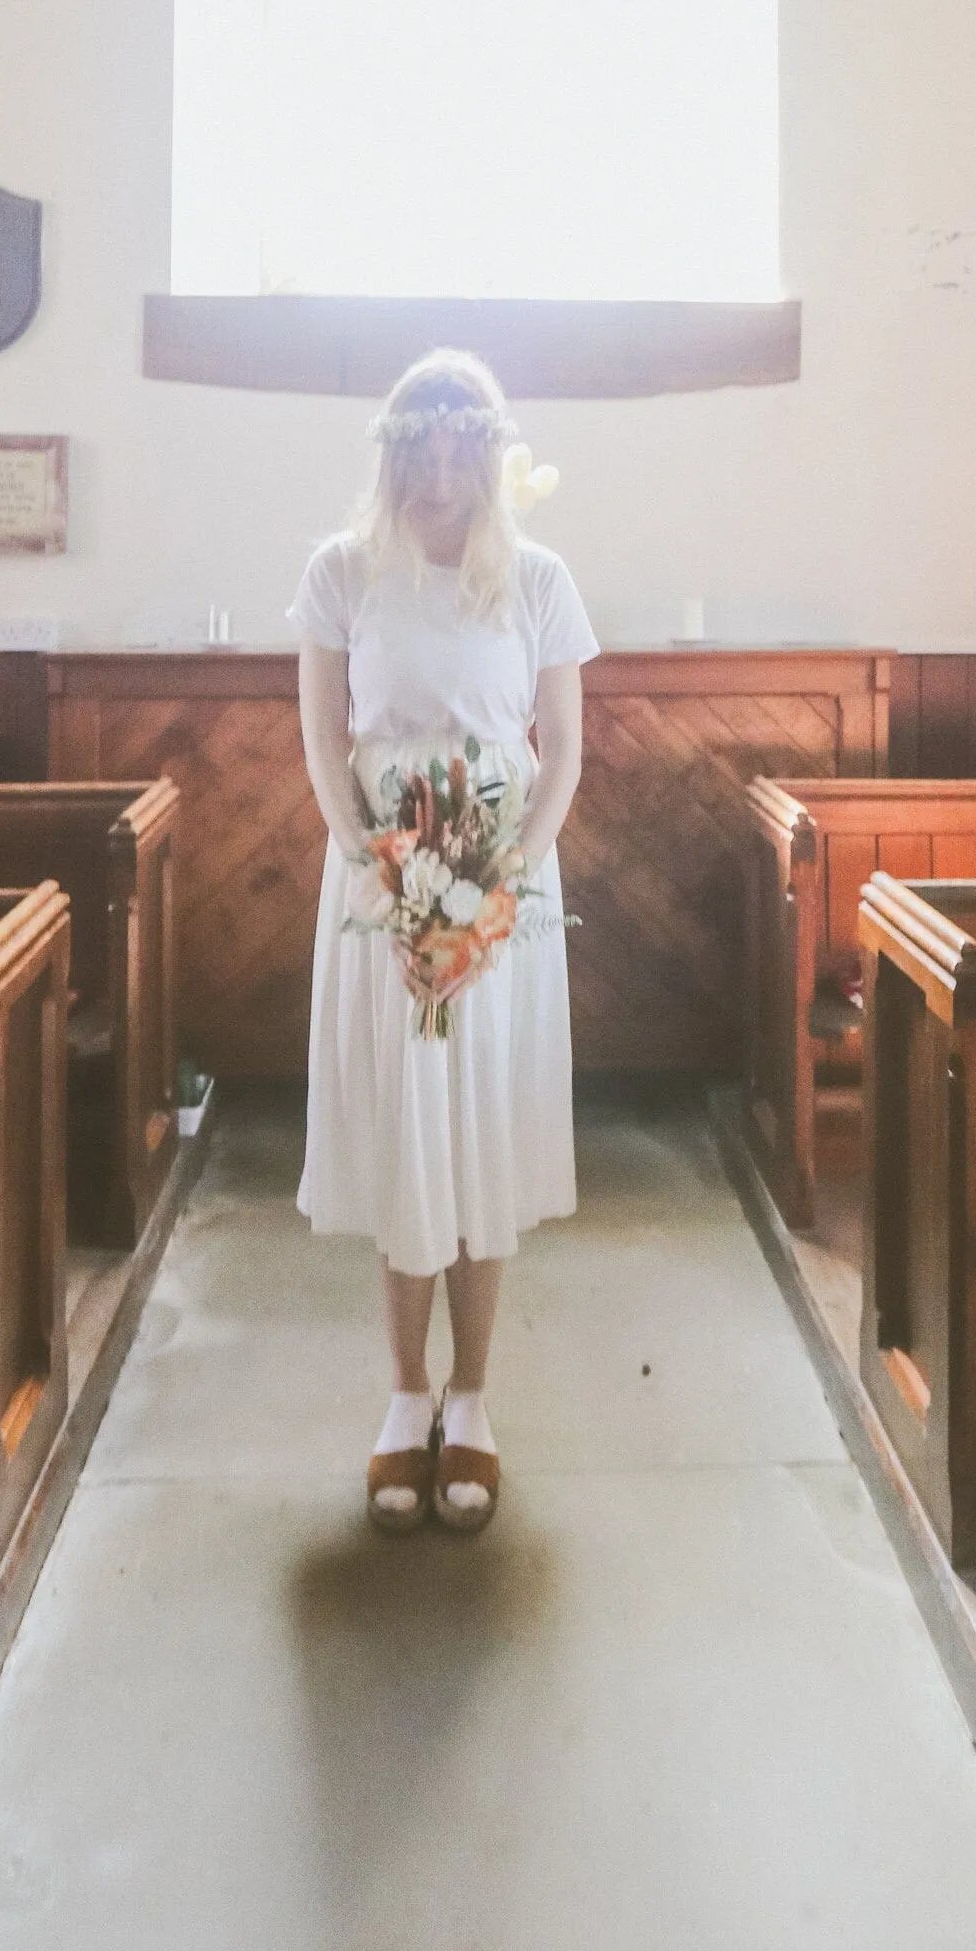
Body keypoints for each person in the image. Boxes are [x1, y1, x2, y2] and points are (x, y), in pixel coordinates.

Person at [288, 349, 598, 1534]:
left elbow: (560, 748)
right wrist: (375, 859)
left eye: (456, 445)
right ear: (389, 454)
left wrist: (504, 878)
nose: (435, 470)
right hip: (381, 880)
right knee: (409, 1125)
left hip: (497, 880)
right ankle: (402, 1392)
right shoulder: (339, 574)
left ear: (487, 454)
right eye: (415, 446)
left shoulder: (537, 580)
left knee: (479, 1124)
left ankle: (472, 1395)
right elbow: (322, 739)